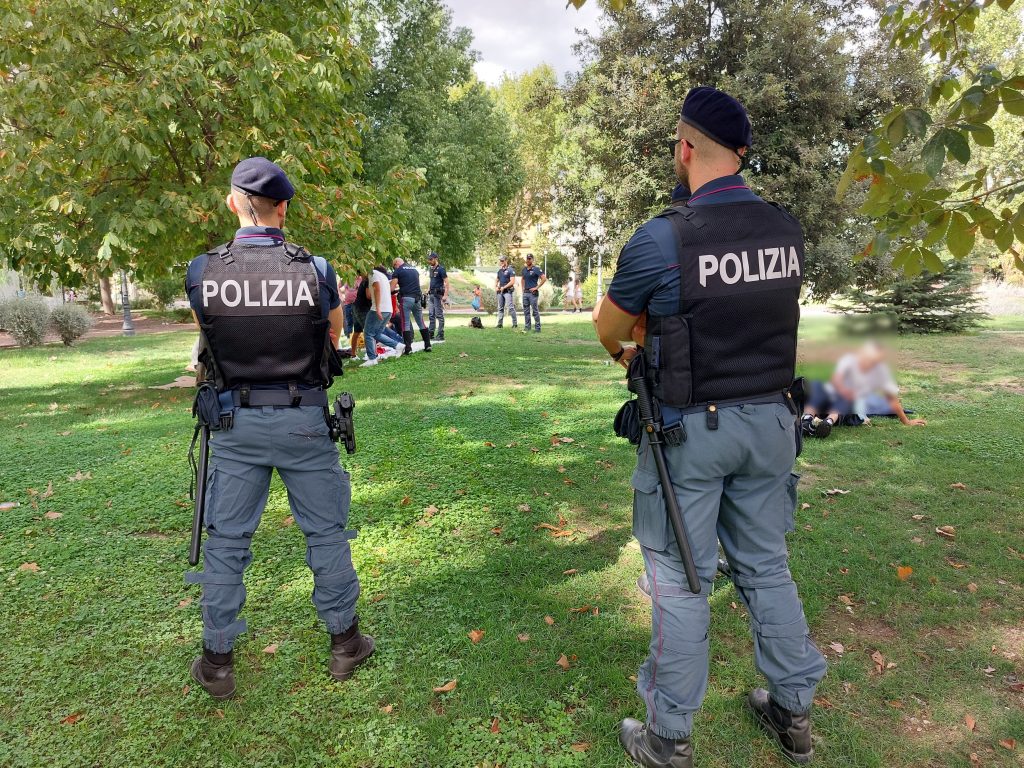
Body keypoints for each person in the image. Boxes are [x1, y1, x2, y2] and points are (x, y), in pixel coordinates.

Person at [594, 88, 826, 767]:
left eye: (675, 143)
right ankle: (793, 711)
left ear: (688, 147)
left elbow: (610, 327)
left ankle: (668, 736)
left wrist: (629, 351)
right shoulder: (785, 229)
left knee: (682, 578)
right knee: (765, 566)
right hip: (770, 424)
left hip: (688, 437)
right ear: (742, 155)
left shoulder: (662, 237)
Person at [183, 157, 374, 698]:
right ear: (283, 209)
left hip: (234, 423)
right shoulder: (315, 269)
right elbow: (333, 331)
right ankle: (345, 644)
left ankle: (217, 661)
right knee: (327, 534)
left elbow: (209, 334)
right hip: (304, 421)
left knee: (226, 544)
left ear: (233, 204)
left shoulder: (204, 271)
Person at [802, 341, 926, 437]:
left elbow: (892, 399)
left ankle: (828, 423)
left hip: (849, 412)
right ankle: (807, 421)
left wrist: (906, 421)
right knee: (818, 385)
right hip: (830, 400)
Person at [362, 265, 405, 367]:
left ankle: (372, 359)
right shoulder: (382, 275)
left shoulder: (372, 274)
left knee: (367, 332)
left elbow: (377, 289)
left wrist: (377, 308)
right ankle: (398, 346)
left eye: (360, 275)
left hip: (379, 309)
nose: (361, 278)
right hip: (388, 309)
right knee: (376, 333)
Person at [391, 257, 431, 354]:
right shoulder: (414, 270)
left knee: (405, 323)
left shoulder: (398, 271)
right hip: (417, 299)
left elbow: (391, 288)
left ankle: (408, 348)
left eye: (394, 266)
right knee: (421, 322)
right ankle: (428, 344)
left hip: (406, 299)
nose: (394, 268)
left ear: (396, 263)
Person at [521, 253, 547, 333]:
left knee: (535, 311)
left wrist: (536, 287)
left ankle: (537, 328)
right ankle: (527, 327)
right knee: (526, 311)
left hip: (533, 293)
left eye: (530, 259)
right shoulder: (524, 269)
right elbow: (522, 279)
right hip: (525, 293)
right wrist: (522, 289)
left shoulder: (536, 269)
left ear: (532, 259)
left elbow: (544, 278)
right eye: (527, 258)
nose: (528, 260)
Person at [426, 251, 449, 341]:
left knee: (439, 315)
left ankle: (440, 335)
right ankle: (430, 333)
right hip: (431, 294)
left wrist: (445, 295)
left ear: (436, 259)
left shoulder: (441, 269)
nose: (430, 261)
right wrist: (428, 289)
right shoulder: (431, 269)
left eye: (431, 259)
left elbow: (447, 282)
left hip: (438, 295)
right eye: (429, 259)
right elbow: (431, 280)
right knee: (431, 314)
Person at [495, 255, 518, 328]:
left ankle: (514, 324)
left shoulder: (510, 270)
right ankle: (500, 324)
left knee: (510, 307)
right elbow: (497, 279)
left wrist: (504, 287)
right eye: (500, 261)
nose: (501, 262)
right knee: (500, 308)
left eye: (502, 261)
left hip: (507, 291)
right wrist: (496, 286)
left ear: (506, 261)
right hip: (500, 292)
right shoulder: (499, 271)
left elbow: (512, 282)